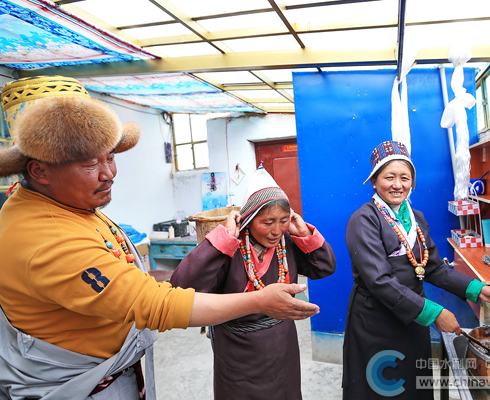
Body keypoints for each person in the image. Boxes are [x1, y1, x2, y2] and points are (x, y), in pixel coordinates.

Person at [0, 76, 318, 400]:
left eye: (110, 157)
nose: (109, 173)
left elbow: (323, 265)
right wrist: (258, 300)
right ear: (39, 171)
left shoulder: (69, 204)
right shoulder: (46, 237)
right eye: (90, 163)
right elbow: (158, 302)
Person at [342, 140, 490, 400]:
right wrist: (435, 312)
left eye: (405, 178)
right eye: (389, 177)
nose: (397, 184)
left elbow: (434, 268)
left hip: (414, 317)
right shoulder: (363, 220)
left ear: (412, 182)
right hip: (377, 321)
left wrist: (478, 290)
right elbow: (379, 281)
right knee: (381, 386)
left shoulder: (417, 219)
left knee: (413, 384)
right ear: (374, 181)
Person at [170, 166, 336, 400]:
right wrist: (222, 240)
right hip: (237, 354)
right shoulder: (231, 248)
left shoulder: (287, 243)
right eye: (268, 222)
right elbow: (182, 288)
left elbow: (324, 267)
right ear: (248, 219)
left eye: (283, 221)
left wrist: (303, 233)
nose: (276, 231)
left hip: (283, 348)